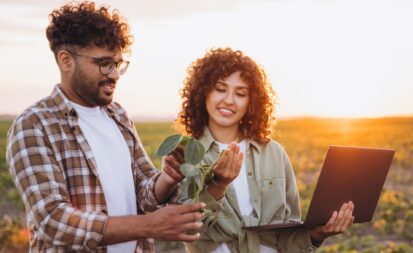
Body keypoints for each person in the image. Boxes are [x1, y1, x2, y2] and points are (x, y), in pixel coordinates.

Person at [6, 1, 204, 252]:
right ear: (66, 60)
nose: (115, 74)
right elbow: (53, 220)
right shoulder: (34, 125)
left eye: (119, 64)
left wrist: (166, 179)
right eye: (104, 63)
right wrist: (149, 226)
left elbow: (144, 193)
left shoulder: (118, 116)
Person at [177, 48, 355, 253]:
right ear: (203, 92)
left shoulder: (274, 154)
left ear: (251, 102)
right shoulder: (184, 155)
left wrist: (318, 234)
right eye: (220, 89)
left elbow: (288, 237)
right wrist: (218, 185)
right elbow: (187, 230)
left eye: (240, 93)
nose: (229, 100)